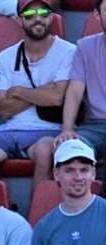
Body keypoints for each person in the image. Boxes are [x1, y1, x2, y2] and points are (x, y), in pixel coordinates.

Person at [0, 0, 75, 187]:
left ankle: (39, 211)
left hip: (49, 130)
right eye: (29, 15)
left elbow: (57, 98)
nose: (38, 18)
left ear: (51, 17)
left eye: (44, 13)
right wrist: (45, 90)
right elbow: (4, 109)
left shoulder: (69, 51)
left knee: (46, 151)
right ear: (19, 21)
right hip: (10, 130)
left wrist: (19, 91)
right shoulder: (6, 56)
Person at [50, 0, 106, 162]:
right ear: (97, 15)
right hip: (96, 126)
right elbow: (75, 92)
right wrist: (67, 129)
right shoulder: (85, 47)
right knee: (69, 149)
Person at [31, 138, 106, 245]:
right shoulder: (44, 227)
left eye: (84, 170)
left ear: (93, 173)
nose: (78, 177)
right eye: (69, 170)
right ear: (56, 174)